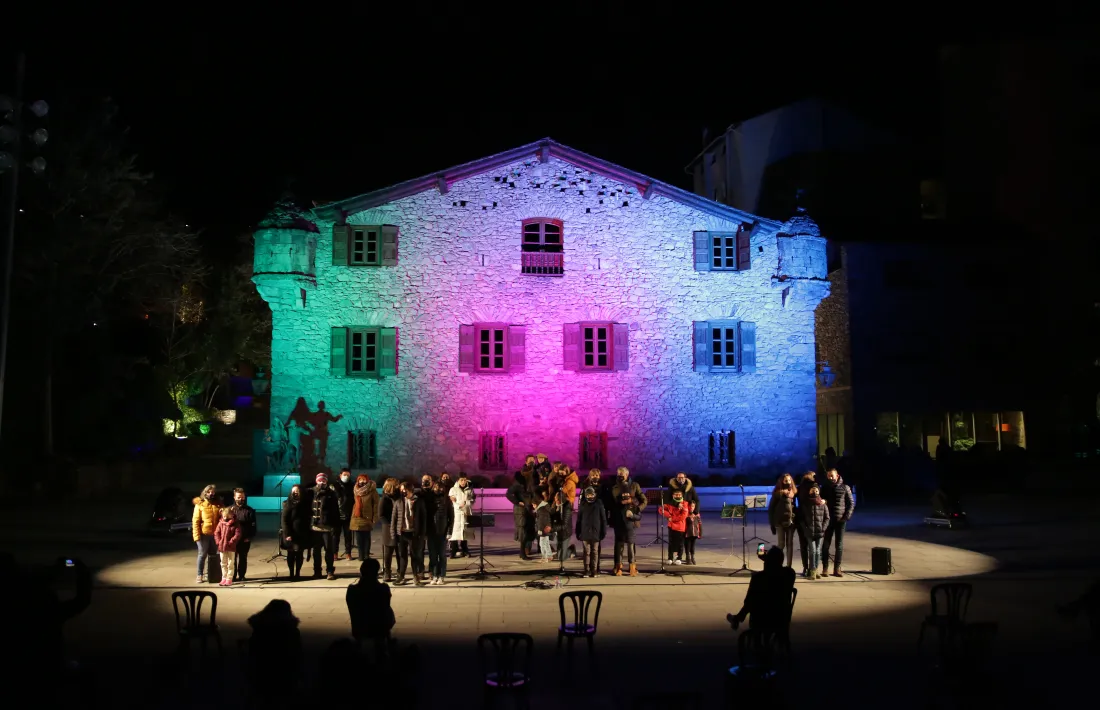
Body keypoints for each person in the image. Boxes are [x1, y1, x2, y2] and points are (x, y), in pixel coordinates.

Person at [727, 546, 796, 635]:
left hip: (761, 618)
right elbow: (780, 569)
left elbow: (748, 601)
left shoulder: (758, 578)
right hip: (781, 617)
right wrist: (770, 560)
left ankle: (739, 617)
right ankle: (738, 617)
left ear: (767, 561)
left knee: (751, 600)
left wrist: (767, 560)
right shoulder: (789, 574)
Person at [245, 600, 303, 706]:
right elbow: (297, 655)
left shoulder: (259, 628)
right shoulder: (291, 631)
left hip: (260, 674)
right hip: (284, 676)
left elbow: (252, 652)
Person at [346, 559, 396, 656]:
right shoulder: (383, 588)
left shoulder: (352, 590)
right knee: (386, 611)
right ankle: (386, 638)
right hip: (379, 626)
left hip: (359, 626)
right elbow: (386, 607)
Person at [820, 467, 855, 577]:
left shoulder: (845, 488)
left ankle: (837, 569)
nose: (831, 478)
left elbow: (851, 503)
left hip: (840, 520)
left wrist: (846, 517)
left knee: (839, 545)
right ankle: (825, 568)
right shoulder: (825, 488)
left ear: (837, 475)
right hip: (828, 520)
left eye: (832, 476)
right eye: (829, 476)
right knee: (826, 544)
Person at [392, 481, 427, 586]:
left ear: (410, 490)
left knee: (415, 556)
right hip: (402, 533)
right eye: (401, 490)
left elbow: (423, 518)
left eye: (404, 489)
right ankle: (401, 576)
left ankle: (416, 577)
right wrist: (394, 534)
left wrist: (423, 533)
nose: (402, 491)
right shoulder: (398, 502)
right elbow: (393, 519)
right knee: (402, 556)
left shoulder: (418, 501)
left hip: (413, 533)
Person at [310, 472, 341, 579]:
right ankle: (317, 571)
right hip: (315, 527)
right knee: (316, 551)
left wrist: (336, 526)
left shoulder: (331, 493)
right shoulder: (311, 492)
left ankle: (330, 571)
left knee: (329, 550)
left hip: (327, 527)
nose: (321, 482)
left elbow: (335, 511)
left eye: (323, 480)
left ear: (326, 481)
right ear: (316, 481)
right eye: (319, 480)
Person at [192, 484, 222, 583]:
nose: (211, 494)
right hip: (203, 534)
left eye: (212, 492)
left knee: (213, 555)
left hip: (215, 534)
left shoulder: (218, 504)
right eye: (209, 492)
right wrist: (196, 536)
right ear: (205, 493)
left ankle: (211, 574)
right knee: (202, 554)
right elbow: (195, 521)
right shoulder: (200, 505)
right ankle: (199, 574)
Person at [575, 486, 606, 578]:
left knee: (595, 551)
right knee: (586, 552)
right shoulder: (583, 505)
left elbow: (603, 519)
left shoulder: (599, 504)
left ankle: (594, 570)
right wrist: (578, 532)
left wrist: (603, 531)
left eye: (591, 494)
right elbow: (579, 520)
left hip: (596, 532)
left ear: (594, 494)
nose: (590, 496)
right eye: (588, 495)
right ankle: (587, 570)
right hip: (585, 531)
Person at [281, 484, 311, 580]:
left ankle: (297, 573)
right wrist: (287, 534)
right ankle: (291, 573)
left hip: (301, 533)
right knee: (291, 554)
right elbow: (284, 520)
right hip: (290, 533)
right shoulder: (288, 504)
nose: (295, 493)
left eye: (297, 491)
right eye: (293, 491)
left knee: (299, 553)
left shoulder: (305, 503)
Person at [508, 458, 536, 560]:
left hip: (528, 509)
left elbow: (532, 494)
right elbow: (508, 494)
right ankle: (522, 553)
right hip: (520, 510)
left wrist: (533, 502)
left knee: (528, 530)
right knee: (523, 531)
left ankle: (524, 551)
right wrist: (517, 502)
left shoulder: (529, 484)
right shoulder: (518, 484)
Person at [768, 473, 797, 568]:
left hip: (791, 522)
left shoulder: (793, 493)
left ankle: (789, 566)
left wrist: (794, 516)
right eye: (786, 481)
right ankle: (776, 564)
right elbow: (771, 509)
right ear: (781, 482)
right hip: (779, 522)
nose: (788, 482)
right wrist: (772, 524)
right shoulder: (777, 494)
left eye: (789, 480)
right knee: (781, 544)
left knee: (790, 544)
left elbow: (794, 507)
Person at [428, 481, 454, 584]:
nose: (438, 489)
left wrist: (449, 531)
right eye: (436, 487)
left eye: (440, 488)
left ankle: (442, 576)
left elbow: (451, 518)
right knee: (433, 555)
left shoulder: (447, 501)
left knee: (442, 555)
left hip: (443, 532)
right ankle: (434, 575)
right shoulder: (430, 500)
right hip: (432, 532)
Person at [802, 484, 830, 579]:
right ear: (809, 491)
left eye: (816, 491)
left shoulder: (822, 504)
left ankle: (816, 569)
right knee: (812, 551)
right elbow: (802, 518)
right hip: (809, 532)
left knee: (818, 551)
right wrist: (805, 528)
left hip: (820, 532)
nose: (814, 492)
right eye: (812, 490)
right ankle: (812, 570)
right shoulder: (806, 503)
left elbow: (827, 517)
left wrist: (823, 528)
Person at [350, 474, 379, 561]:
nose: (362, 481)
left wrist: (374, 516)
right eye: (360, 480)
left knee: (366, 537)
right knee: (359, 538)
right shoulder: (355, 489)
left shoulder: (372, 491)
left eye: (364, 480)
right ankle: (360, 555)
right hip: (357, 516)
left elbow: (376, 505)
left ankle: (366, 554)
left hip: (367, 516)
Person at [231, 488, 257, 582]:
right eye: (239, 497)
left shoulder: (250, 510)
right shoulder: (230, 510)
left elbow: (253, 526)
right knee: (232, 558)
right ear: (234, 497)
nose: (241, 499)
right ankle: (232, 576)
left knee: (243, 558)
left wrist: (249, 537)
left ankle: (242, 575)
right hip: (232, 539)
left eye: (242, 497)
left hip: (245, 539)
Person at [613, 490, 641, 576]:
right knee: (619, 550)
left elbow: (639, 516)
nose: (625, 495)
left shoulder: (634, 505)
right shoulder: (617, 505)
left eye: (627, 494)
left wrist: (632, 516)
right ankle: (618, 568)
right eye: (624, 493)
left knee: (631, 550)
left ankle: (632, 568)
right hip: (619, 530)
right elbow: (613, 517)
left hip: (630, 530)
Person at [794, 471, 817, 575]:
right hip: (812, 518)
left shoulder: (799, 488)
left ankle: (805, 568)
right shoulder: (814, 487)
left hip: (801, 517)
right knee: (813, 546)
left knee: (803, 545)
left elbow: (794, 502)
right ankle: (814, 568)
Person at [214, 508, 242, 586]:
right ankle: (224, 577)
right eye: (224, 516)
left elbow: (237, 534)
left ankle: (229, 578)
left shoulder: (235, 523)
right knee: (223, 563)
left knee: (230, 563)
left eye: (227, 516)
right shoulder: (221, 523)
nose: (225, 517)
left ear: (231, 515)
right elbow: (217, 533)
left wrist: (231, 542)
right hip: (222, 546)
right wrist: (218, 542)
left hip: (231, 547)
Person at [449, 472, 475, 559]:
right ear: (458, 481)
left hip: (466, 512)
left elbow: (472, 500)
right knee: (455, 532)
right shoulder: (453, 489)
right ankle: (453, 550)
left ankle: (465, 549)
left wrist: (466, 503)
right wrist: (459, 505)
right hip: (456, 513)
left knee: (465, 531)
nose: (463, 482)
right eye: (461, 480)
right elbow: (452, 501)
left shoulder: (469, 489)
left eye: (464, 480)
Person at [661, 489, 689, 565]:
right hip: (671, 526)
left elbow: (683, 515)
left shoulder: (685, 503)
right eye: (676, 495)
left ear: (682, 495)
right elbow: (661, 509)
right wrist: (668, 515)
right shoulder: (670, 504)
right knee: (671, 543)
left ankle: (679, 558)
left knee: (680, 543)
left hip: (680, 527)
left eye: (679, 495)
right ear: (673, 495)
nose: (678, 496)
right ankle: (670, 558)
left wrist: (671, 518)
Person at [379, 477, 400, 582]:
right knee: (388, 552)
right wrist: (390, 524)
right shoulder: (384, 498)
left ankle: (400, 571)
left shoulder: (399, 497)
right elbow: (381, 515)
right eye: (396, 484)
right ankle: (387, 572)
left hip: (399, 527)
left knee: (400, 551)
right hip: (388, 528)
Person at [333, 468, 356, 560]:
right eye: (344, 474)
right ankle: (335, 553)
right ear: (340, 475)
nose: (346, 476)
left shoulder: (352, 485)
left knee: (348, 535)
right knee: (335, 536)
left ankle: (348, 553)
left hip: (348, 513)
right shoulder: (335, 485)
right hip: (336, 514)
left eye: (348, 475)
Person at [534, 486, 553, 562]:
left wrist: (539, 530)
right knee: (546, 542)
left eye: (533, 505)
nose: (533, 506)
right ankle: (549, 555)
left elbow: (541, 521)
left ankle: (544, 557)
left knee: (542, 544)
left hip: (543, 529)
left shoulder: (541, 510)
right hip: (545, 528)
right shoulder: (543, 508)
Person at [684, 500, 702, 565]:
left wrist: (700, 533)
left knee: (693, 546)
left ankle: (692, 557)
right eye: (690, 506)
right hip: (687, 534)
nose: (691, 507)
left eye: (693, 506)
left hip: (694, 533)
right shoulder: (686, 514)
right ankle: (688, 558)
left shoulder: (697, 515)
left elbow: (700, 524)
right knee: (687, 546)